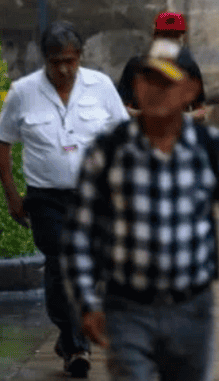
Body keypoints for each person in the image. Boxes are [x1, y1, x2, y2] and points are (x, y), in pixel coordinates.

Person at [60, 38, 219, 381]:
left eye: (168, 82)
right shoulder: (109, 150)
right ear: (137, 86)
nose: (157, 91)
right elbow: (80, 230)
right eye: (150, 80)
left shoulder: (212, 149)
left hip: (192, 309)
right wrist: (87, 300)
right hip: (127, 308)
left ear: (189, 91)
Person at [0, 21, 129, 378]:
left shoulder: (100, 87)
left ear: (80, 57)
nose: (64, 68)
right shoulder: (24, 92)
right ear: (45, 59)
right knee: (61, 262)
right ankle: (76, 347)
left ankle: (67, 332)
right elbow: (3, 140)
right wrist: (12, 193)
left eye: (70, 60)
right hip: (46, 199)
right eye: (56, 61)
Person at [116, 11, 208, 121]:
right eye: (165, 35)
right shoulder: (135, 65)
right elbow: (120, 108)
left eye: (174, 35)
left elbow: (201, 112)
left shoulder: (189, 67)